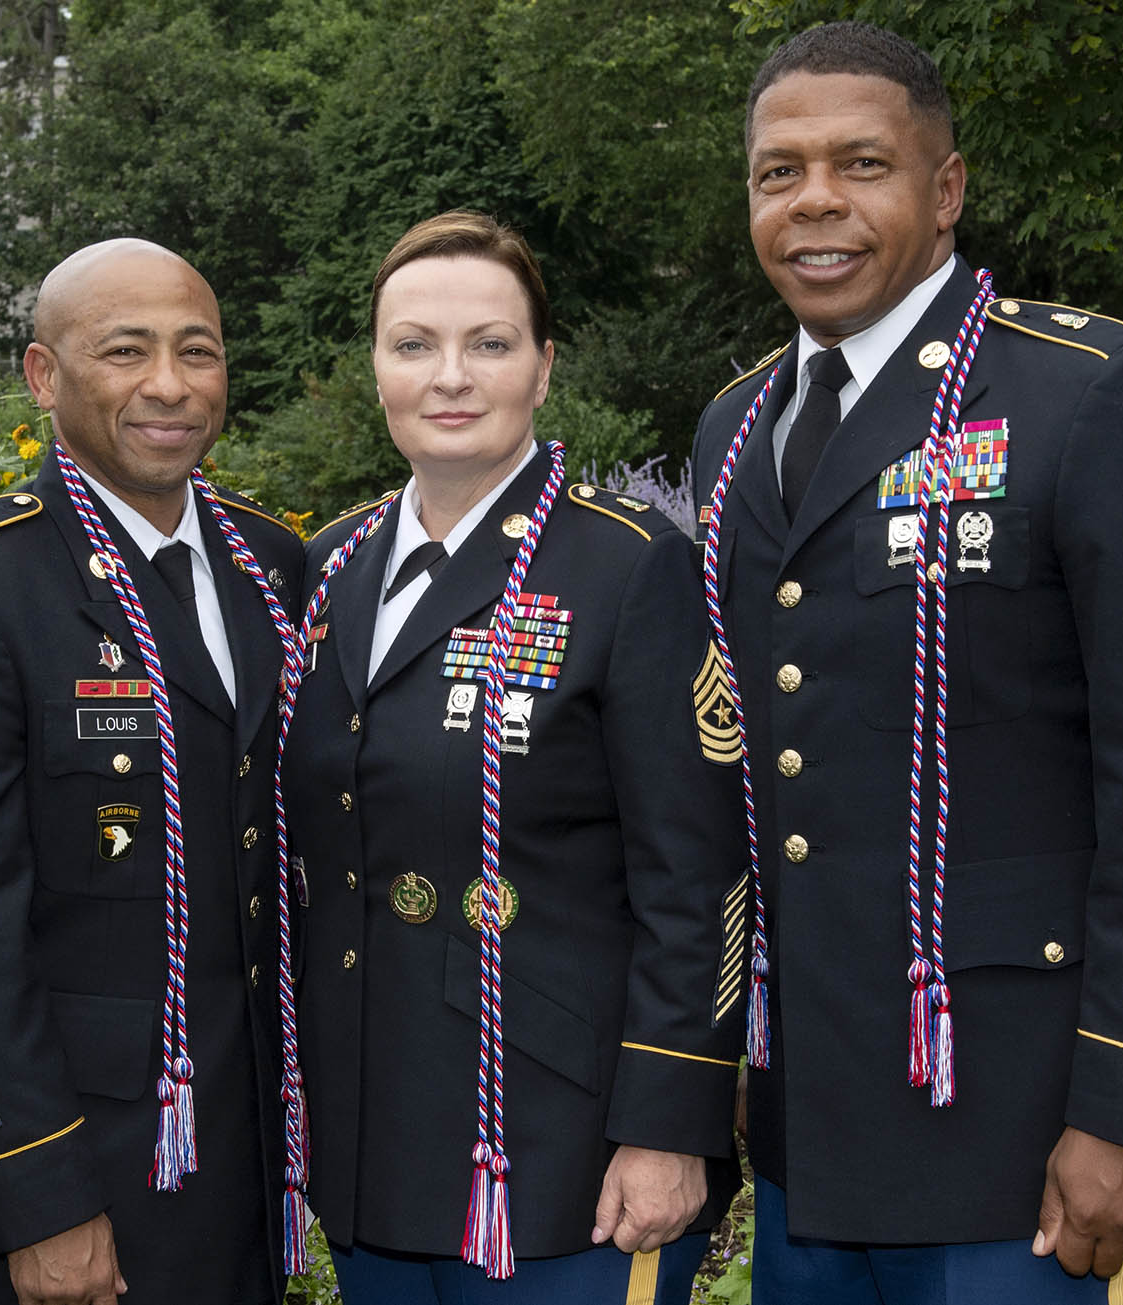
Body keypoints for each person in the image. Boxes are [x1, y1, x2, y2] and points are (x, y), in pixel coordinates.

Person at [687, 22, 1123, 1305]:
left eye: (861, 164)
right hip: (812, 1132)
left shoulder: (1088, 394)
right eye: (777, 173)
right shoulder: (737, 428)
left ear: (945, 189)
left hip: (1027, 1132)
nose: (816, 204)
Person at [283, 210, 746, 1305]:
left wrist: (669, 1121)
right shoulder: (326, 567)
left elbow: (700, 872)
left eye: (489, 344)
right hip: (373, 1134)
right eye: (413, 345)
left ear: (543, 369)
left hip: (562, 1153)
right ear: (375, 369)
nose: (450, 376)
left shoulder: (629, 569)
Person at [0, 239, 303, 1305]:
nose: (169, 385)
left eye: (197, 351)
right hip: (66, 1178)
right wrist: (37, 1197)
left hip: (233, 1160)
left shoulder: (270, 564)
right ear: (44, 377)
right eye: (126, 350)